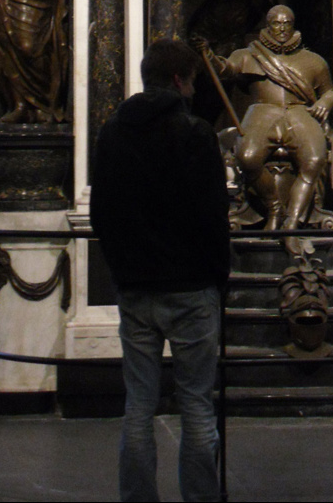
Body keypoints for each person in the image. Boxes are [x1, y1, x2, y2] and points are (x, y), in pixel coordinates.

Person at [90, 39, 230, 503]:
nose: (193, 89)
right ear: (179, 81)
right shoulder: (194, 134)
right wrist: (218, 277)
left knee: (138, 407)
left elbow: (102, 214)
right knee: (195, 407)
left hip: (136, 288)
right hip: (191, 286)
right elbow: (213, 216)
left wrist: (124, 269)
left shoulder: (112, 132)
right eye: (192, 80)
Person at [206, 3, 333, 230]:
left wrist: (326, 101)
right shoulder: (248, 55)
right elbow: (225, 69)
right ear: (268, 26)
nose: (282, 29)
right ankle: (274, 207)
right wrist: (209, 55)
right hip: (263, 110)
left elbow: (331, 92)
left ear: (293, 25)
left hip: (299, 111)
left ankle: (292, 220)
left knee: (315, 160)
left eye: (286, 23)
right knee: (247, 157)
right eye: (277, 24)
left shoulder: (314, 61)